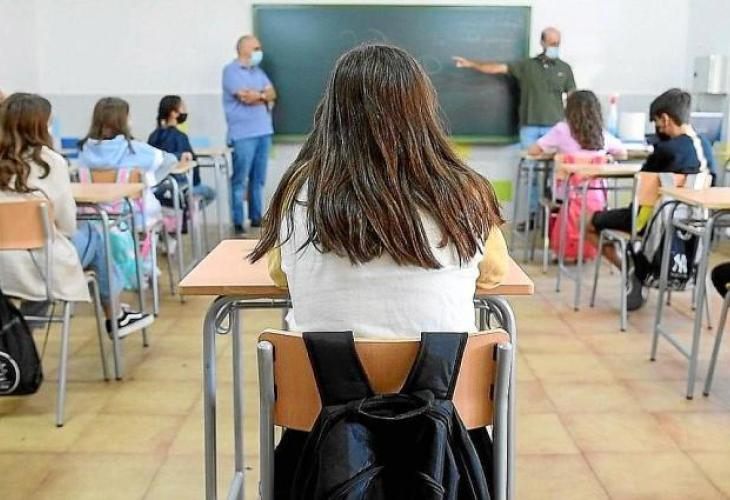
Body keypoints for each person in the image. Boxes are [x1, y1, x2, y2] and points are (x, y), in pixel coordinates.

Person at [250, 44, 508, 339]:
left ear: (332, 112)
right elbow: (493, 274)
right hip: (445, 369)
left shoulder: (298, 189)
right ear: (422, 110)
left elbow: (280, 275)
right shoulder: (465, 190)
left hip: (319, 369)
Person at [0, 93, 152, 336]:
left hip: (4, 270)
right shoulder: (50, 163)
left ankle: (20, 332)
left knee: (45, 264)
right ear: (39, 126)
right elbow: (67, 225)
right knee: (94, 235)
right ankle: (115, 315)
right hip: (42, 267)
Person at [588, 88, 715, 308]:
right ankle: (636, 269)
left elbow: (642, 187)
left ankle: (632, 270)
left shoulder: (666, 150)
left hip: (655, 222)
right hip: (696, 226)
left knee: (590, 223)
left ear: (665, 119)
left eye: (656, 122)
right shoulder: (705, 146)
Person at [454, 26, 576, 221]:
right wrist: (471, 64)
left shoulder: (565, 68)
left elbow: (573, 97)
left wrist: (572, 125)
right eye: (552, 43)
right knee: (530, 174)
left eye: (557, 43)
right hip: (529, 127)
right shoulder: (527, 66)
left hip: (555, 129)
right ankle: (532, 217)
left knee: (555, 174)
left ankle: (552, 219)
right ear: (542, 42)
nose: (555, 46)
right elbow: (497, 68)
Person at [527, 90, 626, 261]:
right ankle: (586, 252)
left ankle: (563, 250)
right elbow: (622, 153)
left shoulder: (561, 130)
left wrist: (558, 155)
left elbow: (533, 150)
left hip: (565, 194)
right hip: (597, 195)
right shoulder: (601, 133)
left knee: (548, 192)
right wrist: (605, 157)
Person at [78, 97, 177, 226]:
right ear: (123, 121)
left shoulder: (84, 150)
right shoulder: (134, 149)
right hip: (133, 219)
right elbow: (170, 160)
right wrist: (148, 180)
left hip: (94, 220)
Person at [222, 35, 276, 234]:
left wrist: (259, 96)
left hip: (264, 132)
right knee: (240, 179)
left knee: (258, 179)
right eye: (256, 48)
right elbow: (245, 97)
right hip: (242, 134)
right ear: (243, 48)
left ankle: (256, 217)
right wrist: (263, 96)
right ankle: (238, 220)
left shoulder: (258, 72)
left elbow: (272, 94)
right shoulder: (231, 71)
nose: (259, 51)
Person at [148, 95, 216, 204]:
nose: (186, 111)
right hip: (180, 187)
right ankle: (188, 210)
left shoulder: (153, 136)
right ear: (174, 113)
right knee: (210, 193)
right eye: (183, 108)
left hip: (159, 189)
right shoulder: (180, 137)